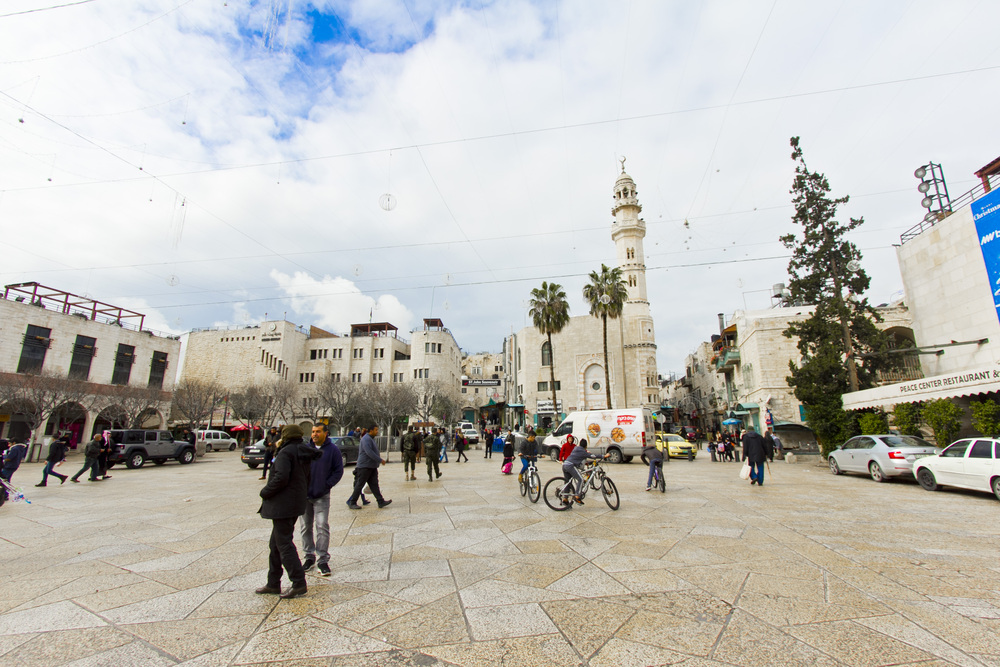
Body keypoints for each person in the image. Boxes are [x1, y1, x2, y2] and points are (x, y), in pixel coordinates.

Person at [256, 425, 321, 599]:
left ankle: (298, 582)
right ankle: (273, 582)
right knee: (275, 544)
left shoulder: (286, 453)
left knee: (283, 543)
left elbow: (281, 477)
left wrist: (265, 491)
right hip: (294, 503)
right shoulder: (302, 452)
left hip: (283, 504)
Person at [300, 423, 344, 577]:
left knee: (322, 526)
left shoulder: (333, 450)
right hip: (304, 495)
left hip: (322, 495)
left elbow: (338, 470)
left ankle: (322, 559)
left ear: (326, 433)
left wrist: (327, 485)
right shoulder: (306, 449)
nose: (314, 434)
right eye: (313, 432)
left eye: (318, 431)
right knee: (305, 527)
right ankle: (309, 556)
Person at [346, 425, 391, 509]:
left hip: (371, 466)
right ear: (371, 431)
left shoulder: (371, 439)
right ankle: (352, 502)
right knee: (360, 484)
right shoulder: (366, 439)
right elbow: (369, 452)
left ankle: (380, 501)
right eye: (376, 430)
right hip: (364, 466)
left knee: (374, 484)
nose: (377, 431)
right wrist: (380, 460)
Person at [562, 440, 606, 505]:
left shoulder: (576, 448)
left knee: (568, 482)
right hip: (570, 466)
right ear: (586, 446)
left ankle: (565, 499)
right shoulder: (583, 451)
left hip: (565, 465)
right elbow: (593, 456)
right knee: (580, 479)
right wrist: (603, 456)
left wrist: (585, 462)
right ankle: (577, 496)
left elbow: (576, 457)